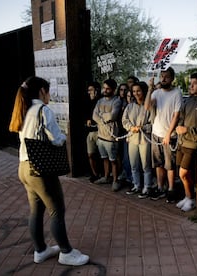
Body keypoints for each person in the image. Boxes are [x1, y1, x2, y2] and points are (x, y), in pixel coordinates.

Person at [8, 76, 89, 266]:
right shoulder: (43, 110)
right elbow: (55, 138)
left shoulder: (25, 109)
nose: (49, 96)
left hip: (24, 167)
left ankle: (41, 250)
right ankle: (66, 252)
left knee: (36, 211)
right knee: (57, 211)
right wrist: (63, 137)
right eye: (48, 91)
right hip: (40, 170)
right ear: (42, 91)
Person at [145, 67, 183, 203]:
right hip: (156, 132)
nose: (163, 79)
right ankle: (160, 188)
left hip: (169, 135)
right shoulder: (156, 92)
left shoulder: (177, 93)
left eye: (166, 77)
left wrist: (168, 134)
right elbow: (147, 107)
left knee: (169, 165)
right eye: (161, 76)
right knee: (158, 164)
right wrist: (150, 89)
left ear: (172, 78)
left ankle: (171, 189)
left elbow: (176, 115)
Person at [122, 81, 153, 198]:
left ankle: (147, 187)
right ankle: (136, 185)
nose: (136, 93)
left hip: (145, 139)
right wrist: (131, 128)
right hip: (132, 138)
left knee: (146, 165)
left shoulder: (148, 107)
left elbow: (153, 123)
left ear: (143, 91)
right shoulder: (130, 106)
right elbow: (124, 120)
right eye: (134, 91)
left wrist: (143, 127)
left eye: (138, 91)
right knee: (133, 164)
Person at [175, 72, 197, 212]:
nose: (191, 85)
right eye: (190, 82)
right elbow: (181, 119)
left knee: (183, 173)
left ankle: (191, 198)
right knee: (184, 173)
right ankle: (188, 196)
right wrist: (179, 127)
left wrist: (188, 130)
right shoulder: (187, 100)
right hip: (182, 142)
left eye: (195, 83)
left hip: (192, 143)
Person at [93, 79, 123, 192]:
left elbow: (113, 116)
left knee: (113, 160)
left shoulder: (117, 101)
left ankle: (115, 180)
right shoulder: (100, 101)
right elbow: (94, 115)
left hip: (111, 137)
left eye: (108, 88)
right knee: (104, 158)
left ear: (113, 90)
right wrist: (102, 119)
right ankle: (106, 177)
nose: (105, 90)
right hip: (101, 135)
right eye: (104, 88)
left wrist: (101, 116)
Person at [85, 81, 102, 183]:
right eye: (88, 90)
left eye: (91, 90)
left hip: (100, 131)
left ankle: (102, 173)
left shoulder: (100, 101)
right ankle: (94, 173)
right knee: (91, 154)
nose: (89, 92)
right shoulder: (87, 101)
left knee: (101, 155)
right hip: (90, 132)